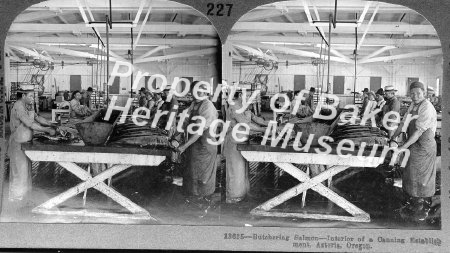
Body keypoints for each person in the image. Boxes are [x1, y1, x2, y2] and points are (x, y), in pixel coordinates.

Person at [389, 81, 437, 221]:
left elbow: (417, 132)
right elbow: (404, 124)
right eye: (412, 94)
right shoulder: (412, 105)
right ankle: (413, 205)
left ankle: (423, 209)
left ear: (424, 94)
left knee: (421, 177)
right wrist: (393, 136)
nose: (415, 96)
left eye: (418, 93)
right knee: (410, 174)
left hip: (424, 146)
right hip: (413, 145)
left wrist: (401, 148)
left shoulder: (426, 107)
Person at [8, 86, 56, 202]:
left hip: (26, 143)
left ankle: (23, 198)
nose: (33, 98)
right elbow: (30, 124)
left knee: (26, 173)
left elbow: (37, 118)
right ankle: (15, 202)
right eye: (30, 96)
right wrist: (47, 130)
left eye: (33, 96)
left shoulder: (28, 105)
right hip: (17, 143)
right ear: (23, 96)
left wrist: (50, 124)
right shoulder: (18, 107)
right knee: (19, 173)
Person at [176, 81, 218, 203]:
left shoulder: (207, 106)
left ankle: (204, 201)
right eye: (193, 91)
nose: (195, 94)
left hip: (205, 145)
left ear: (204, 92)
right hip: (194, 144)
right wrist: (176, 136)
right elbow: (184, 122)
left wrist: (183, 146)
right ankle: (193, 199)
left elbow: (199, 131)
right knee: (192, 172)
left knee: (203, 176)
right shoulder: (194, 104)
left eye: (198, 91)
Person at [223, 90, 268, 203]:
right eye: (246, 95)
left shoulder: (244, 106)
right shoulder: (234, 106)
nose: (248, 97)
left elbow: (255, 118)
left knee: (243, 168)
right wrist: (263, 129)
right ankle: (233, 197)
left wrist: (271, 124)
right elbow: (245, 123)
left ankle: (243, 194)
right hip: (234, 141)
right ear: (238, 95)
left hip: (243, 140)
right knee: (235, 168)